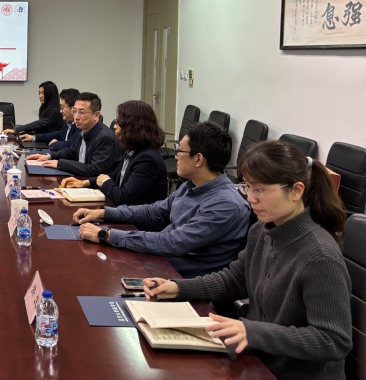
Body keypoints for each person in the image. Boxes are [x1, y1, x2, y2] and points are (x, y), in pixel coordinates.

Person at [144, 141, 351, 380]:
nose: (251, 198)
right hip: (257, 360)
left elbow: (334, 340)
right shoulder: (262, 230)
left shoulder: (320, 256)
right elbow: (234, 279)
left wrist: (252, 332)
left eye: (260, 190)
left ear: (296, 190)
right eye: (247, 188)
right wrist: (179, 287)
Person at [72, 121, 250, 278]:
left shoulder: (225, 204)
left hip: (179, 280)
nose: (176, 156)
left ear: (198, 159)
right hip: (159, 263)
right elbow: (154, 211)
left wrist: (106, 235)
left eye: (180, 151)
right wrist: (104, 213)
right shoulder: (191, 185)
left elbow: (173, 243)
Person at [60, 100, 167, 206]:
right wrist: (85, 183)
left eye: (119, 122)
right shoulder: (132, 150)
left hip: (136, 216)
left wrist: (105, 182)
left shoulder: (147, 159)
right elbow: (115, 176)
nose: (115, 126)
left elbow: (123, 198)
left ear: (133, 126)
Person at [25, 92, 120, 178]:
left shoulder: (105, 137)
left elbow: (94, 170)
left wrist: (59, 164)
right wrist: (48, 156)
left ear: (96, 115)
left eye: (82, 112)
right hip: (80, 179)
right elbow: (71, 152)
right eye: (74, 111)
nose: (76, 117)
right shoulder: (84, 130)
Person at [19, 87, 80, 152]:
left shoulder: (80, 126)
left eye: (62, 107)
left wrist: (55, 144)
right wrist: (34, 137)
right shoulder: (67, 122)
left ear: (73, 108)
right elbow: (59, 134)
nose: (60, 111)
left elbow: (69, 145)